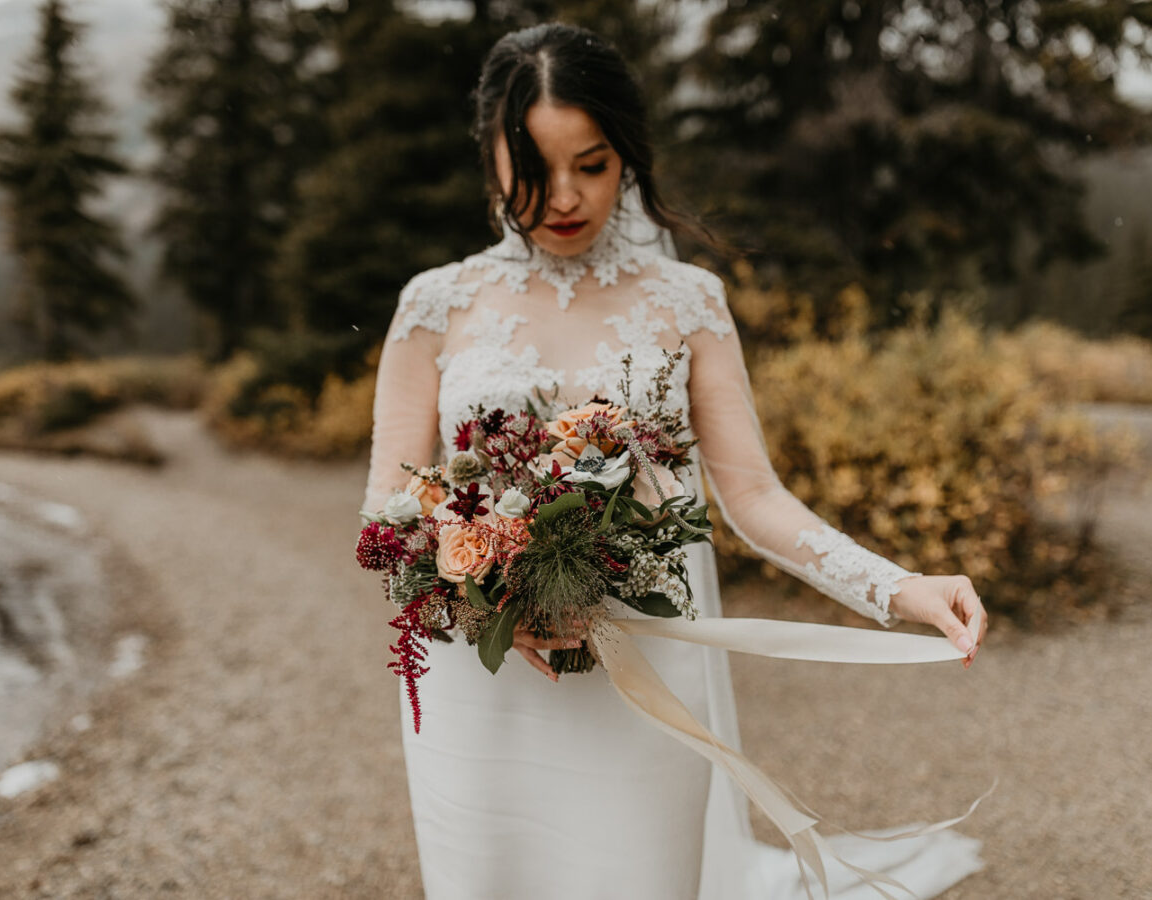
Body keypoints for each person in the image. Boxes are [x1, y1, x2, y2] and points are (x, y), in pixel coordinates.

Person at [361, 22, 989, 900]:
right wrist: (490, 597)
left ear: (630, 156)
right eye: (536, 172)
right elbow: (389, 506)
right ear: (491, 159)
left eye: (595, 164)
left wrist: (898, 588)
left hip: (647, 667)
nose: (568, 197)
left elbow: (754, 497)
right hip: (484, 675)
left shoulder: (687, 300)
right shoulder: (434, 305)